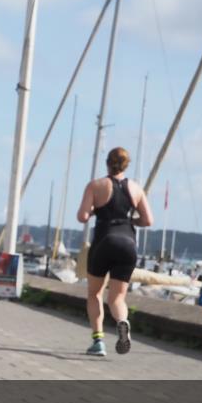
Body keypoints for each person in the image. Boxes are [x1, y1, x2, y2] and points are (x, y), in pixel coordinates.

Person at [76, 147, 153, 357]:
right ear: (126, 164)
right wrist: (130, 220)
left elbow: (82, 216)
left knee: (95, 293)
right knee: (117, 298)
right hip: (128, 243)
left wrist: (95, 211)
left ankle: (98, 341)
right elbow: (148, 220)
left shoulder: (96, 185)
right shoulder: (136, 189)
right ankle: (122, 322)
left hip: (104, 240)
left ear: (107, 163)